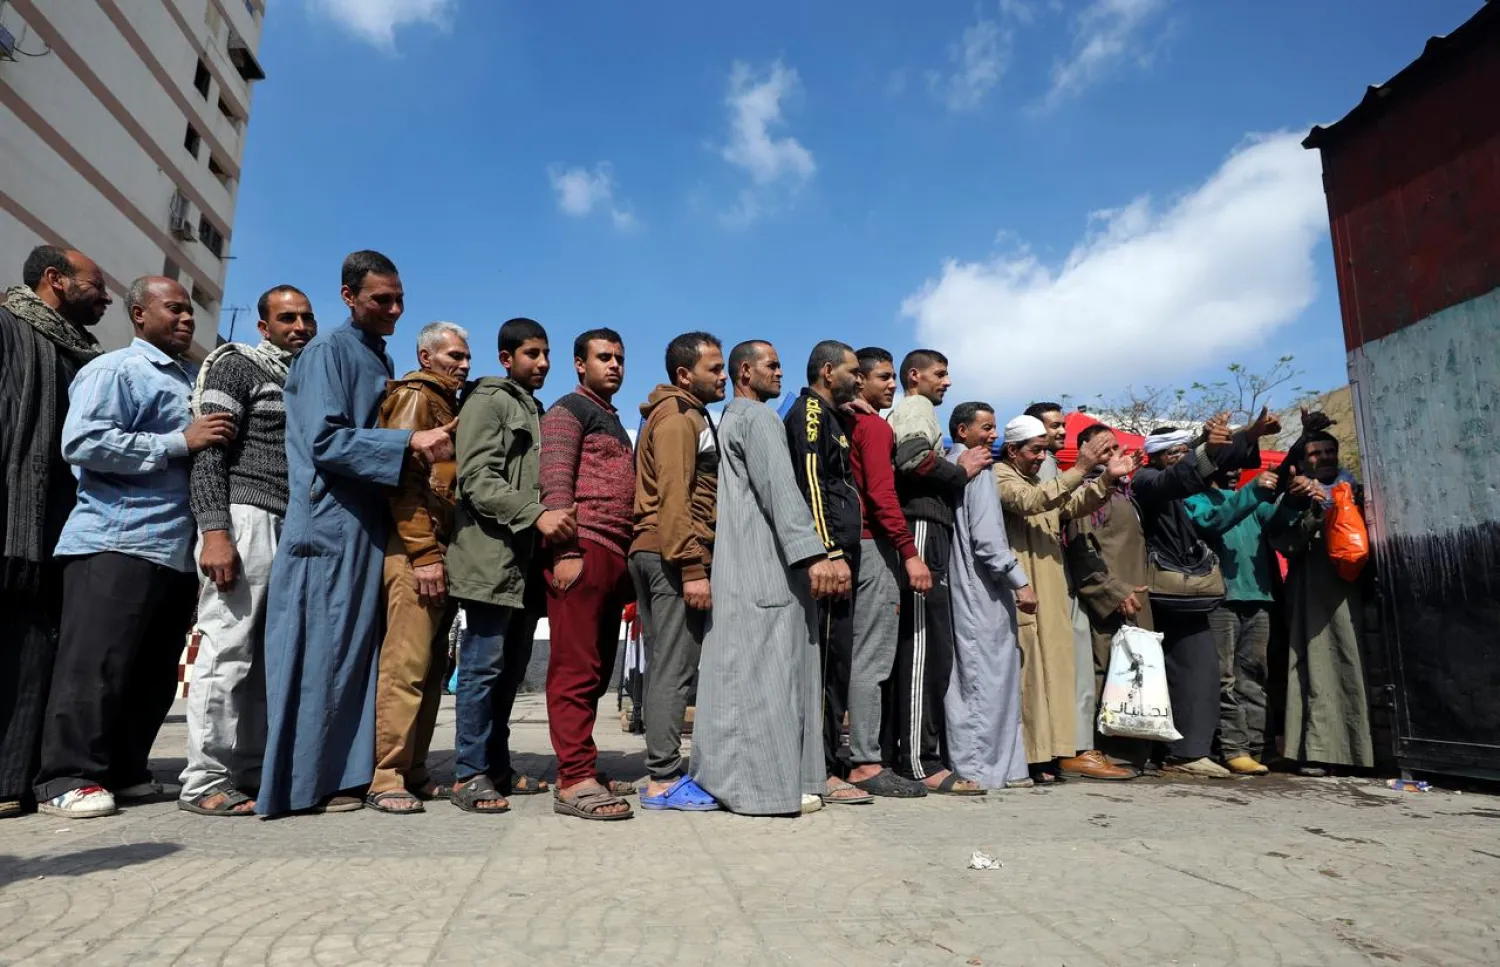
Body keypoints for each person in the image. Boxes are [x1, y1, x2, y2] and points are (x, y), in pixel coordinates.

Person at [258, 251, 455, 817]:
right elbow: (324, 441)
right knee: (319, 655)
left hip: (367, 525)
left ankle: (346, 778)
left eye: (400, 300)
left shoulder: (377, 355)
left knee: (356, 658)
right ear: (348, 297)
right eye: (381, 300)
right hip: (327, 526)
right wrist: (408, 444)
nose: (394, 310)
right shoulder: (326, 352)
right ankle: (300, 785)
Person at [34, 277, 231, 818]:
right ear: (139, 315)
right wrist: (179, 441)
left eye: (190, 310)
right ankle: (65, 778)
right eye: (174, 309)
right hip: (114, 541)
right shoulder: (118, 370)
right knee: (94, 666)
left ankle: (123, 769)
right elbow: (83, 442)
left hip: (172, 550)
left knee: (148, 671)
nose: (187, 319)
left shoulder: (191, 379)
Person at [690, 340, 849, 815]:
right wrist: (813, 555)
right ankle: (765, 789)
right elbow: (782, 492)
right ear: (746, 371)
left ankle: (736, 780)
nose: (780, 373)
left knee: (738, 677)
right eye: (771, 365)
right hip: (768, 567)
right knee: (771, 679)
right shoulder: (758, 419)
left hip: (738, 567)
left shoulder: (730, 420)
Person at [179, 285, 316, 816]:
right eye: (287, 318)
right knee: (228, 646)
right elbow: (210, 451)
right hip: (245, 517)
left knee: (267, 656)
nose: (300, 327)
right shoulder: (236, 364)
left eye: (306, 317)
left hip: (293, 523)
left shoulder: (303, 379)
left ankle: (252, 770)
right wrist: (215, 531)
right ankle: (204, 779)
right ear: (264, 326)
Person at [447, 318, 574, 814]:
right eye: (532, 354)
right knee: (480, 670)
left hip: (523, 564)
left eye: (546, 354)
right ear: (506, 358)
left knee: (509, 671)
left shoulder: (533, 409)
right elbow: (477, 479)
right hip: (488, 558)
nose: (542, 364)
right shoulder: (489, 400)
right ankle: (469, 774)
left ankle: (496, 766)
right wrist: (536, 515)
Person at [0, 247, 109, 818]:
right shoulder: (7, 327)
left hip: (60, 530)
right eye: (96, 285)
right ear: (55, 281)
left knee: (34, 654)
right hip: (12, 518)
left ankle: (15, 779)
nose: (107, 297)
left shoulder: (89, 358)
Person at [995, 415, 1137, 783]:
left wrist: (1106, 477)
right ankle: (1029, 757)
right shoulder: (1000, 477)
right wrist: (1081, 467)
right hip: (1022, 590)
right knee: (1030, 677)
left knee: (1056, 675)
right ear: (1012, 450)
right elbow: (1032, 500)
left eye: (1044, 450)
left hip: (1053, 590)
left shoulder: (1040, 478)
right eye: (1035, 450)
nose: (1041, 457)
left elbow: (1070, 505)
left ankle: (1052, 755)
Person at [367, 321, 471, 814]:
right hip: (416, 551)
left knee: (431, 671)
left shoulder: (447, 403)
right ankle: (386, 774)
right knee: (405, 667)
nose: (464, 364)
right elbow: (400, 481)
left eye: (466, 356)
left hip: (438, 549)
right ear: (426, 357)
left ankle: (414, 768)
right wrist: (424, 554)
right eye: (453, 355)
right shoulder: (416, 396)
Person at [1132, 413, 1268, 778]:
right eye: (1173, 452)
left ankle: (1189, 750)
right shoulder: (1147, 480)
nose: (1181, 457)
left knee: (1202, 671)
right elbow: (1182, 473)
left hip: (1189, 594)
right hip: (1165, 592)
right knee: (1189, 669)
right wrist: (1205, 448)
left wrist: (1249, 434)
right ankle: (1182, 754)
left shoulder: (1185, 484)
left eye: (1184, 450)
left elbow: (1205, 463)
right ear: (1155, 456)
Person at [542, 328, 638, 821]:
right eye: (604, 357)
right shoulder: (568, 410)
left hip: (614, 553)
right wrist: (566, 550)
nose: (615, 365)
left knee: (597, 670)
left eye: (620, 357)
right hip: (583, 548)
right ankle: (573, 778)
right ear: (580, 364)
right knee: (575, 669)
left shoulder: (610, 417)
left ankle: (584, 764)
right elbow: (555, 477)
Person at [886, 350, 990, 795]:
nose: (946, 382)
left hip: (928, 530)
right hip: (922, 528)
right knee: (923, 649)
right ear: (916, 376)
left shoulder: (913, 409)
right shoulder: (916, 407)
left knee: (929, 648)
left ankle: (914, 753)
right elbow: (912, 459)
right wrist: (959, 470)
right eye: (940, 374)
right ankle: (917, 760)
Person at [631, 332, 724, 811]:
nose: (723, 376)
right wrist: (692, 567)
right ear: (685, 375)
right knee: (673, 668)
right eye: (715, 368)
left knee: (665, 664)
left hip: (655, 552)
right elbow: (674, 496)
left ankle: (663, 770)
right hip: (669, 556)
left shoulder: (678, 414)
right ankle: (663, 779)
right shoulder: (678, 419)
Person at [784, 340, 874, 806]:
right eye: (853, 371)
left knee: (837, 663)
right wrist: (828, 551)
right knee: (821, 669)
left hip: (843, 557)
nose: (860, 379)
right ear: (827, 370)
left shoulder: (835, 416)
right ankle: (817, 767)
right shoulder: (810, 415)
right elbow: (810, 485)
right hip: (827, 560)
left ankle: (829, 762)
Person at [844, 348, 929, 798]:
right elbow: (881, 494)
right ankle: (866, 762)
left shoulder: (843, 423)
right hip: (872, 545)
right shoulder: (872, 427)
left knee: (851, 659)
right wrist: (909, 551)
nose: (890, 385)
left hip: (842, 548)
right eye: (882, 377)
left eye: (893, 377)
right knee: (873, 660)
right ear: (858, 380)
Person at [1185, 465, 1304, 776]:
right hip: (1220, 597)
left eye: (1239, 466)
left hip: (1258, 596)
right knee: (1225, 678)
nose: (1234, 471)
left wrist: (1293, 500)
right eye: (1229, 464)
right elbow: (1212, 522)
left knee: (1254, 674)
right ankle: (1232, 748)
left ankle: (1257, 746)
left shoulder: (1251, 497)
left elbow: (1277, 523)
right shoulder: (1197, 498)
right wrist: (1253, 491)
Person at [944, 404, 1036, 789]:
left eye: (995, 428)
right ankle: (980, 768)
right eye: (985, 428)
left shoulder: (949, 467)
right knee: (983, 678)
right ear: (962, 430)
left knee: (973, 675)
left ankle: (1000, 766)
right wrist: (1020, 581)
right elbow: (987, 540)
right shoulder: (976, 470)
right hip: (981, 589)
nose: (992, 435)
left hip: (966, 586)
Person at [1273, 431, 1374, 774]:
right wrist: (1313, 508)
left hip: (1349, 591)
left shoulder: (1358, 490)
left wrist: (1336, 504)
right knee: (1310, 666)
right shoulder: (1295, 497)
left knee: (1349, 663)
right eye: (1316, 454)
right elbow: (1283, 542)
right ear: (1303, 462)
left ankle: (1353, 753)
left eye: (1330, 451)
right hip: (1310, 592)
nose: (1325, 458)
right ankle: (1315, 752)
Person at [1063, 423, 1154, 765]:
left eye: (1117, 448)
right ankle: (1103, 752)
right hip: (1106, 601)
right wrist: (1113, 592)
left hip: (1136, 600)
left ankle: (1134, 752)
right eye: (1105, 449)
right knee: (1105, 671)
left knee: (1135, 673)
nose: (1114, 455)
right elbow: (1080, 551)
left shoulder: (1125, 494)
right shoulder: (1087, 495)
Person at [1025, 402, 1068, 482]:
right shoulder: (1044, 461)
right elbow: (1051, 494)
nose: (1063, 431)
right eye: (1055, 426)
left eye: (1063, 426)